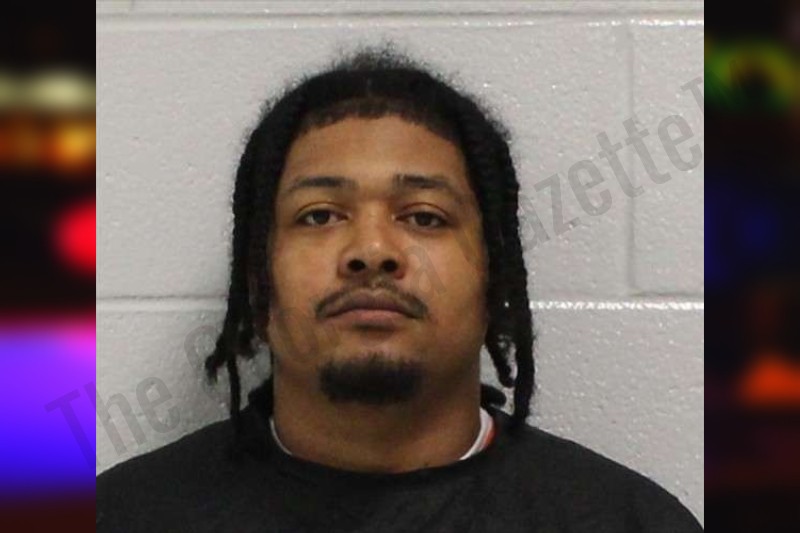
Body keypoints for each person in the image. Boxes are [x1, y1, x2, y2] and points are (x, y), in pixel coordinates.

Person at [96, 47, 703, 532]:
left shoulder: (626, 521)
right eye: (319, 215)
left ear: (494, 279)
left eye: (424, 217)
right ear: (258, 282)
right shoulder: (122, 517)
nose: (372, 250)